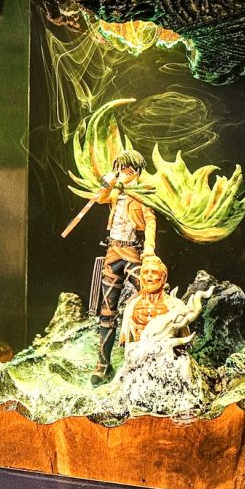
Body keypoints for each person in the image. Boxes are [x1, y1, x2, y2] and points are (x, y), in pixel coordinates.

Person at [90, 149, 155, 386]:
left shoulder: (143, 193)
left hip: (133, 252)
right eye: (117, 169)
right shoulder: (116, 192)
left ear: (135, 170)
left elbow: (150, 221)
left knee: (149, 298)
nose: (120, 173)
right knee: (107, 310)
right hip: (113, 252)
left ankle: (149, 356)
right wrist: (108, 181)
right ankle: (103, 364)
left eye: (123, 169)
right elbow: (99, 198)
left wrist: (149, 248)